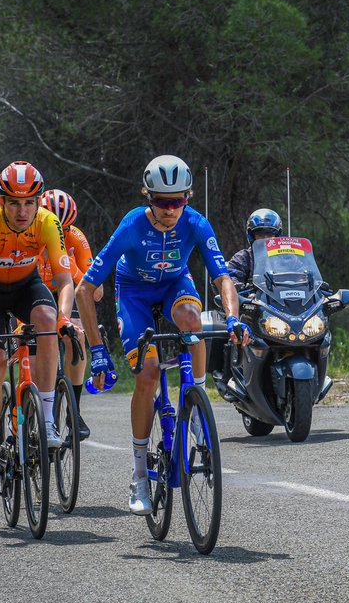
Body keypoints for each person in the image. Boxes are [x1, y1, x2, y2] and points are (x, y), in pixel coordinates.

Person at [76, 154, 248, 517]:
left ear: (187, 197)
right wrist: (97, 350)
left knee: (193, 319)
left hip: (173, 284)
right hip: (135, 291)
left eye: (178, 202)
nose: (170, 210)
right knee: (149, 373)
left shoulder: (197, 223)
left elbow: (223, 278)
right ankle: (139, 475)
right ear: (147, 197)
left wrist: (233, 319)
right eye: (162, 202)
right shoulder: (132, 226)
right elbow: (83, 289)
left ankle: (197, 405)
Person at [0, 161, 76, 500]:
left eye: (29, 202)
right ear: (2, 201)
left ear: (39, 201)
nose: (21, 210)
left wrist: (64, 318)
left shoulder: (48, 221)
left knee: (47, 321)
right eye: (13, 202)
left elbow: (64, 280)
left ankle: (46, 419)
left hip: (27, 285)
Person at [38, 188, 99, 441]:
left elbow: (96, 293)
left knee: (77, 333)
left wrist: (71, 265)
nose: (56, 235)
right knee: (35, 342)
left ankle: (74, 409)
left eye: (62, 230)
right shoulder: (29, 236)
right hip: (36, 290)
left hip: (65, 289)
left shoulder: (76, 238)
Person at [226, 208, 284, 286]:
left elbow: (301, 270)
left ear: (277, 235)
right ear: (252, 236)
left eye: (270, 234)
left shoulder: (286, 257)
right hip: (254, 298)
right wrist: (237, 286)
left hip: (288, 297)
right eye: (260, 234)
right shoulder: (243, 258)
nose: (265, 238)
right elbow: (231, 278)